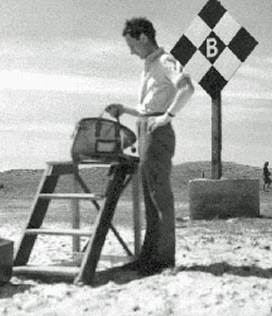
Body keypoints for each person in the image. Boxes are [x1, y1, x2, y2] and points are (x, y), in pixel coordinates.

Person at [105, 17, 194, 276]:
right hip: (144, 126)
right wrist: (124, 109)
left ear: (143, 37)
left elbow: (187, 88)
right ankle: (149, 257)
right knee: (149, 197)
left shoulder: (165, 61)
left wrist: (168, 117)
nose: (130, 50)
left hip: (157, 130)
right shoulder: (149, 65)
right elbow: (147, 108)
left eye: (132, 44)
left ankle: (163, 259)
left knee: (159, 196)